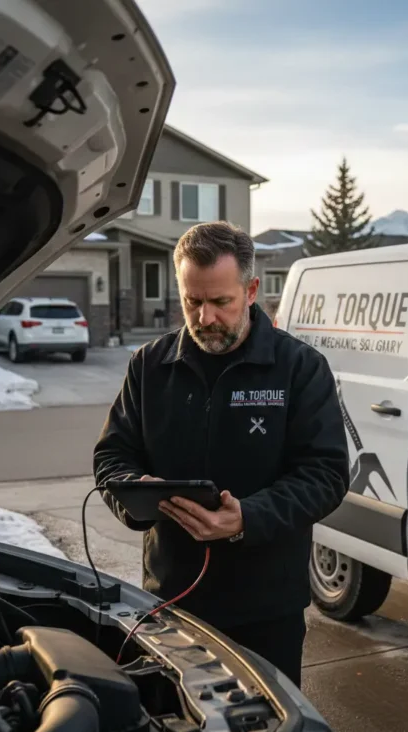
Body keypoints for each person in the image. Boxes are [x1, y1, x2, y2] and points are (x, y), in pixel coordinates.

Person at [93, 220, 349, 686]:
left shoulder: (299, 368)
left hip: (267, 610)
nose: (205, 318)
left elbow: (326, 474)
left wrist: (247, 518)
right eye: (192, 301)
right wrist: (135, 497)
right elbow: (112, 457)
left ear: (251, 291)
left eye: (220, 302)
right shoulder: (150, 366)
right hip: (171, 599)